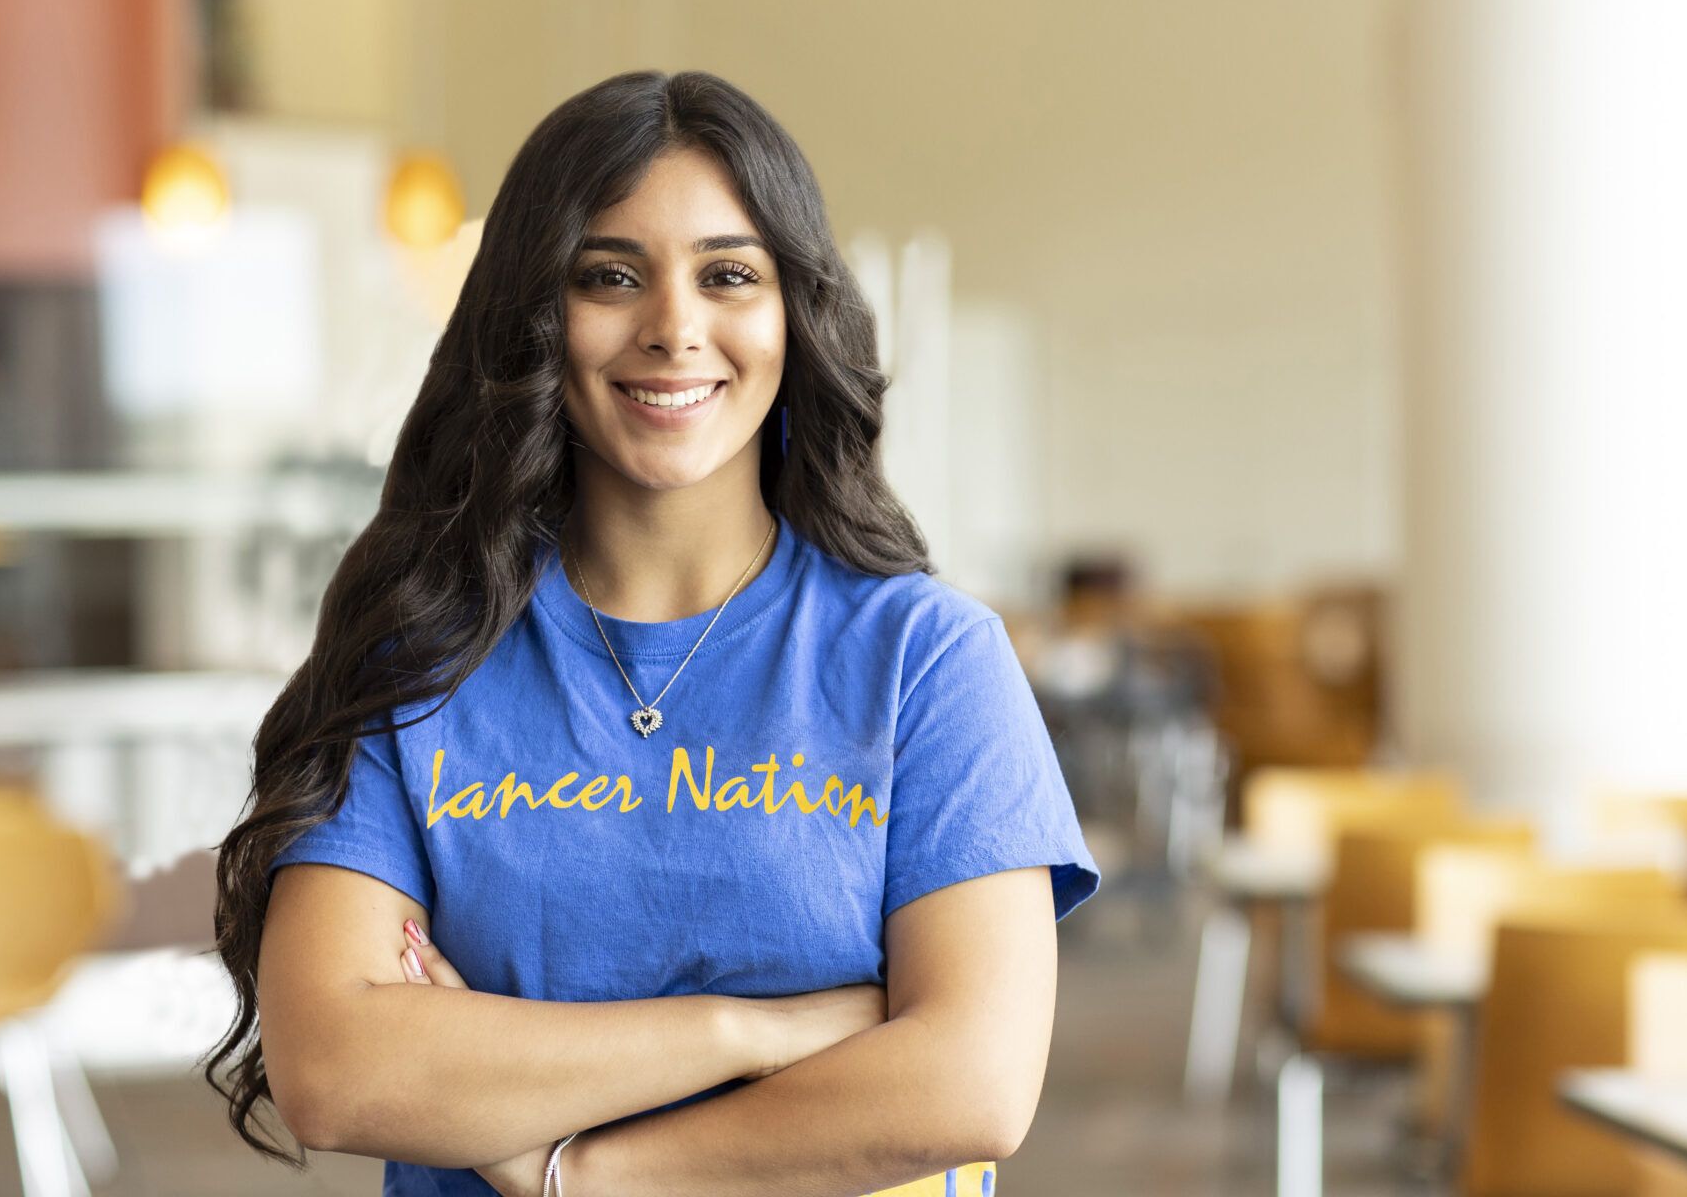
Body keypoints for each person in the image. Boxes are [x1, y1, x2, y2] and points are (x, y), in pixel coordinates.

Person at [204, 70, 1100, 1197]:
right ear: (535, 312)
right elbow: (336, 1070)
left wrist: (583, 1177)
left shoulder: (926, 661)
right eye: (611, 276)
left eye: (729, 274)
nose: (674, 328)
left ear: (793, 317)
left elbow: (970, 1084)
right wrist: (747, 1033)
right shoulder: (423, 659)